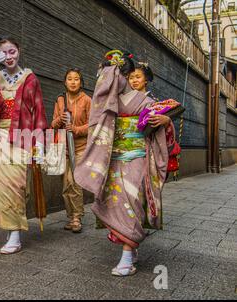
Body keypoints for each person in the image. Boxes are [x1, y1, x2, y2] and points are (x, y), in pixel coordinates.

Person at [74, 50, 175, 276]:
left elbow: (159, 130)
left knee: (131, 201)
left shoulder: (146, 101)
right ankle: (129, 248)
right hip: (113, 159)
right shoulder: (110, 102)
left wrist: (166, 121)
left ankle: (127, 258)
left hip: (137, 157)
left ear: (123, 75)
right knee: (114, 203)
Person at [0, 36, 48, 255]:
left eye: (12, 51)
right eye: (3, 53)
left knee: (15, 186)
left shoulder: (30, 78)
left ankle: (15, 234)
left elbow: (39, 112)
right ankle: (9, 226)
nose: (9, 56)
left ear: (19, 51)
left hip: (21, 137)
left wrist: (40, 144)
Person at [51, 69, 91, 233]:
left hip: (80, 147)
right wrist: (60, 119)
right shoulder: (60, 100)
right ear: (65, 82)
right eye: (70, 79)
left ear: (81, 82)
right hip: (63, 148)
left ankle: (77, 217)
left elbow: (93, 125)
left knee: (75, 182)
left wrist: (76, 129)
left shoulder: (87, 100)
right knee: (66, 184)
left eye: (76, 79)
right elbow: (52, 124)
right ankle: (72, 215)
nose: (73, 82)